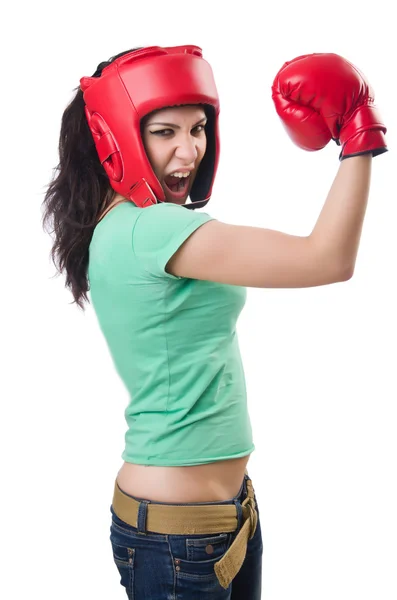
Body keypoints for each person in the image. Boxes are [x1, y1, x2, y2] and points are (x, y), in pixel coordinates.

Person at [41, 46, 387, 599]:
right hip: (178, 538)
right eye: (164, 132)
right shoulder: (147, 231)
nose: (189, 150)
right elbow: (328, 259)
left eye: (198, 128)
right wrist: (360, 134)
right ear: (114, 137)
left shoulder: (126, 227)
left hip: (221, 517)